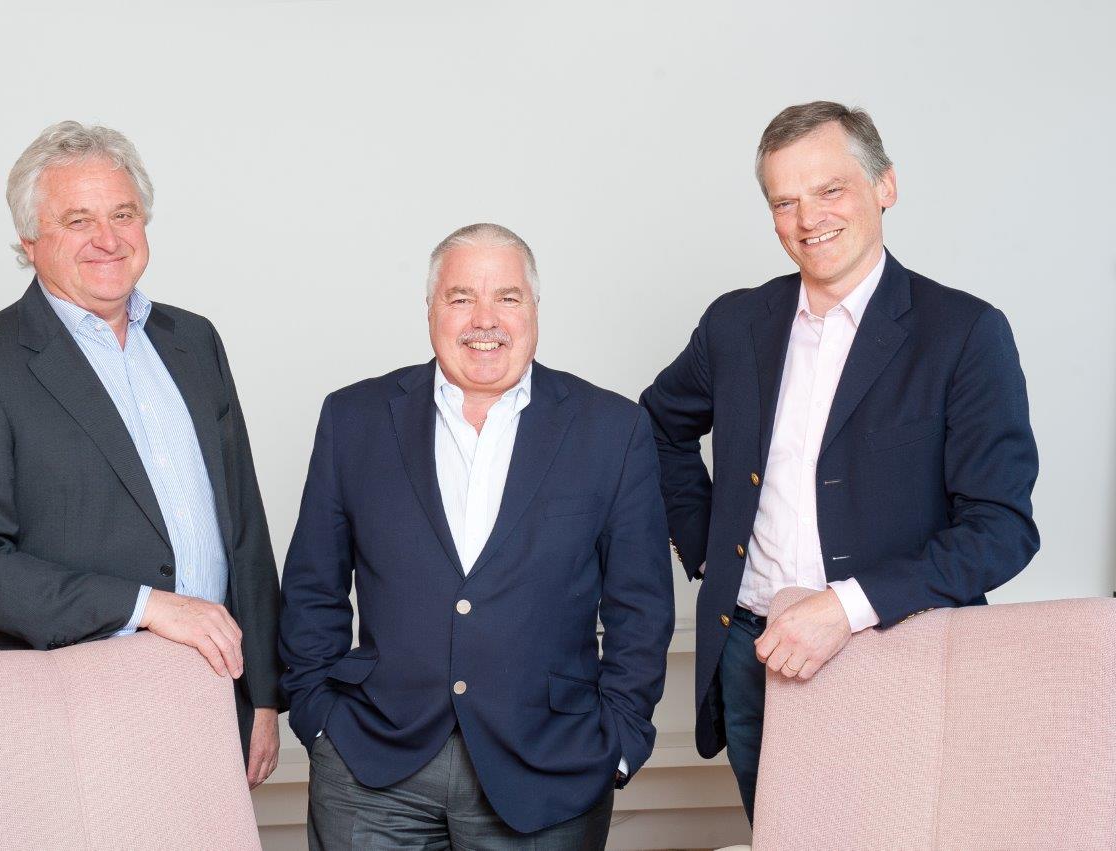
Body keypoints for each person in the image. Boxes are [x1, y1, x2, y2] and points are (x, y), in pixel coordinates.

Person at [639, 101, 1039, 821]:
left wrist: (847, 608)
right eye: (784, 200)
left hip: (896, 653)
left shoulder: (965, 332)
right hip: (749, 654)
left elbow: (1002, 529)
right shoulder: (735, 323)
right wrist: (711, 551)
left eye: (830, 190)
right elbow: (656, 426)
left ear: (885, 185)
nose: (807, 218)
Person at [0, 120, 284, 786]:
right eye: (77, 220)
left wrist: (262, 692)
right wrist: (144, 605)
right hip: (60, 720)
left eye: (123, 214)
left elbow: (245, 531)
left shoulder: (193, 342)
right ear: (29, 240)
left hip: (210, 701)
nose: (108, 240)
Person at [279, 223, 674, 848]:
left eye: (508, 298)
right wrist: (319, 719)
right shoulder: (353, 419)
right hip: (371, 762)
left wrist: (618, 741)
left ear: (535, 309)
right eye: (461, 297)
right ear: (431, 309)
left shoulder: (611, 429)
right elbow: (312, 587)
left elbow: (641, 607)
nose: (483, 319)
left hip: (549, 769)